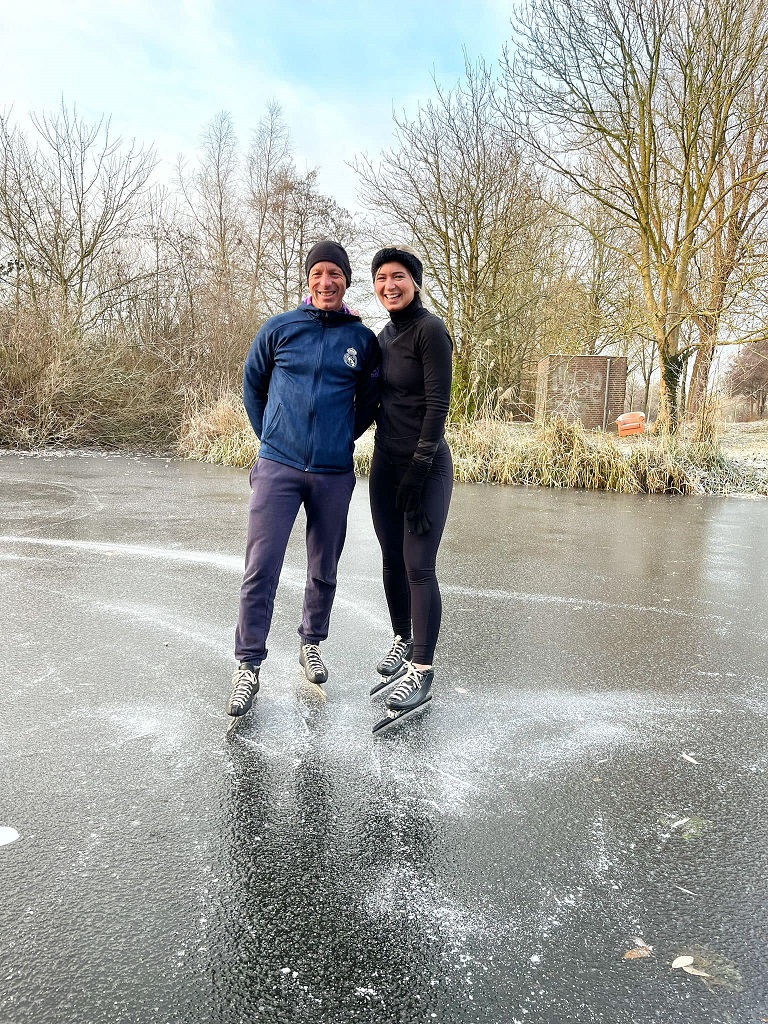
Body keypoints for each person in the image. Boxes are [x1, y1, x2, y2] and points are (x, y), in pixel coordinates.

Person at [226, 241, 380, 717]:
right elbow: (254, 385)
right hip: (279, 467)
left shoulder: (362, 340)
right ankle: (248, 665)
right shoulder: (280, 328)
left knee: (324, 568)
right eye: (318, 273)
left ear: (346, 281)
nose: (326, 281)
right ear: (308, 280)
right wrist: (272, 436)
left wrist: (338, 438)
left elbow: (369, 403)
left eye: (335, 273)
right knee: (262, 566)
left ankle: (311, 643)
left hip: (333, 472)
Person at [368, 245, 453, 727]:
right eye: (381, 278)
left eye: (398, 276)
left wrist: (419, 472)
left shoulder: (430, 330)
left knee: (418, 565)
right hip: (385, 464)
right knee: (390, 558)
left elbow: (437, 406)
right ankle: (403, 639)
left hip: (426, 467)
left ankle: (422, 667)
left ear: (415, 281)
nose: (389, 285)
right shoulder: (382, 337)